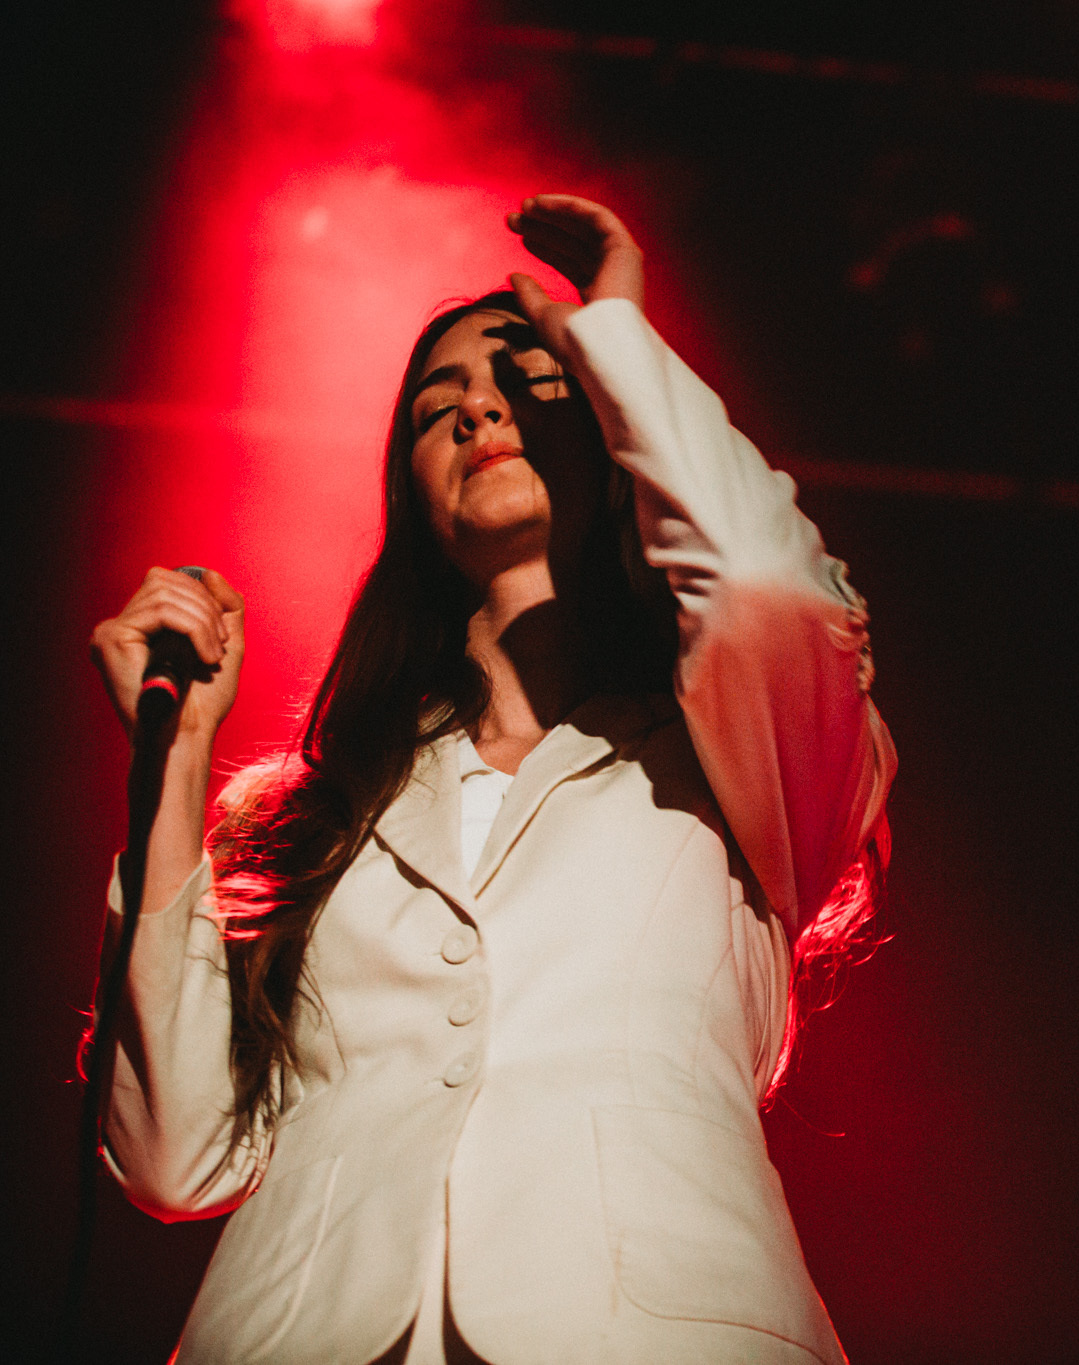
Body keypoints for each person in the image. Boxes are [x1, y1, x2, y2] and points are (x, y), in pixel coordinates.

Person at [87, 194, 895, 1364]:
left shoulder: (745, 754)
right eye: (436, 405)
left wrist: (612, 334)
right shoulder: (322, 810)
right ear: (410, 496)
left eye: (526, 377)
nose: (476, 406)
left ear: (617, 433)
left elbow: (771, 589)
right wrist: (173, 762)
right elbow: (174, 1156)